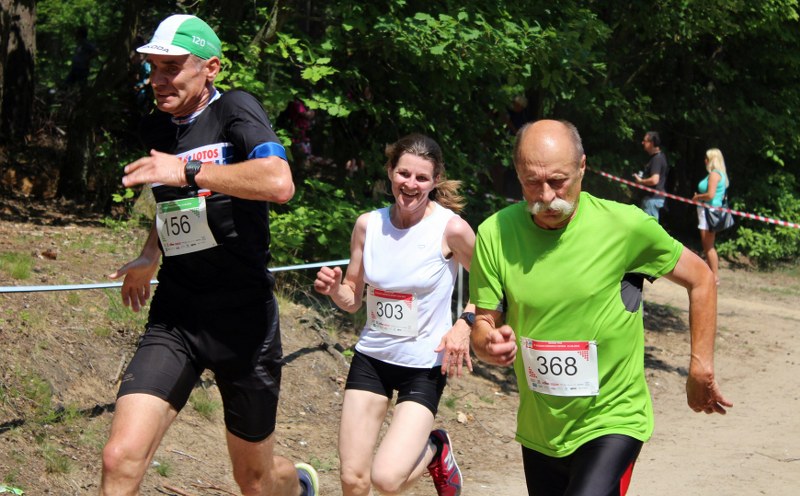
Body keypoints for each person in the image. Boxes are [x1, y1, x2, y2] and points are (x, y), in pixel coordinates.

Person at [102, 14, 318, 496]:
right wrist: (150, 254)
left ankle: (299, 486)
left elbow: (279, 182)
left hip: (244, 321)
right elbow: (174, 204)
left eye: (172, 68)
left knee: (254, 480)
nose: (158, 80)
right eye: (153, 67)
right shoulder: (157, 127)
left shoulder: (235, 109)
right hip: (177, 314)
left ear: (211, 68)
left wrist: (188, 170)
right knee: (119, 457)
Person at [469, 120, 732, 496]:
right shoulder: (495, 233)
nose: (546, 196)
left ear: (582, 167)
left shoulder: (624, 226)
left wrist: (700, 366)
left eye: (558, 181)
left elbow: (701, 278)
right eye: (531, 182)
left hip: (613, 419)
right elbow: (484, 322)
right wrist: (488, 343)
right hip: (541, 427)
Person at [313, 133, 475, 496]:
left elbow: (490, 284)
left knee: (386, 480)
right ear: (390, 171)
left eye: (421, 177)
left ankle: (435, 448)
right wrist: (335, 288)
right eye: (404, 174)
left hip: (424, 365)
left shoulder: (450, 228)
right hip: (372, 358)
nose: (410, 184)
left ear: (435, 181)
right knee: (353, 478)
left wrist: (465, 323)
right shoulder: (368, 225)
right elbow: (352, 298)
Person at [692, 148, 730, 286]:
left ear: (712, 160)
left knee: (708, 245)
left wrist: (697, 197)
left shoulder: (714, 174)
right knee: (707, 244)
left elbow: (710, 195)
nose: (705, 161)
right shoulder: (721, 174)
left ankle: (714, 276)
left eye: (707, 158)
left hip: (709, 212)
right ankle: (712, 274)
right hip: (710, 211)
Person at [633, 131, 669, 221]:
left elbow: (654, 180)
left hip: (652, 200)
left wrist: (640, 181)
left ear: (651, 143)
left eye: (645, 141)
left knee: (648, 227)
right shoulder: (657, 157)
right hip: (652, 199)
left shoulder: (657, 159)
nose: (642, 143)